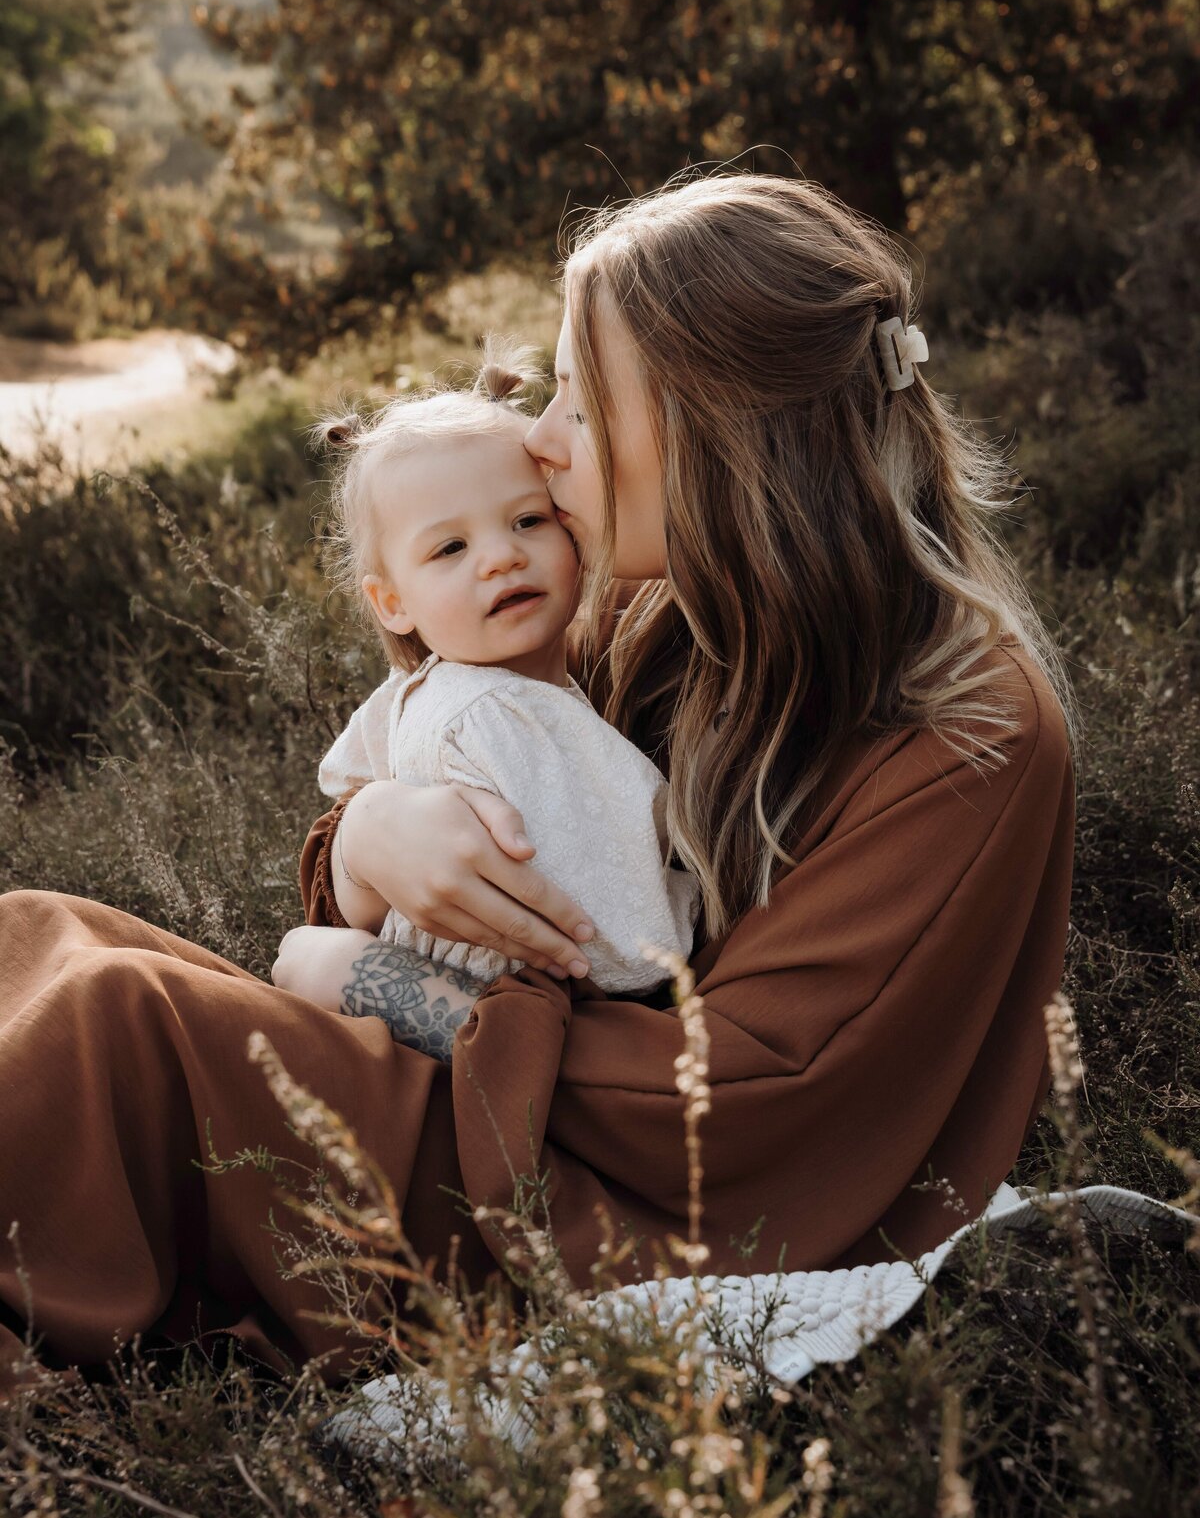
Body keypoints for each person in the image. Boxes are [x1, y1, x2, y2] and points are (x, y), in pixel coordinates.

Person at [0, 170, 1077, 1394]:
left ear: (716, 421)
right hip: (500, 1102)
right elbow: (487, 794)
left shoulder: (966, 730)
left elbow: (751, 1100)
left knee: (110, 1025)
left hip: (595, 1207)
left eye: (581, 394)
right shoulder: (652, 616)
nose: (543, 437)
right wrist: (360, 846)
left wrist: (381, 984)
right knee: (31, 936)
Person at [282, 340, 699, 1041]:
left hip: (470, 1005)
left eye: (528, 520)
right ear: (391, 603)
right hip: (534, 1014)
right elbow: (631, 940)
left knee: (306, 958)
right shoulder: (501, 714)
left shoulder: (416, 691)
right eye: (450, 548)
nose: (501, 556)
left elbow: (348, 778)